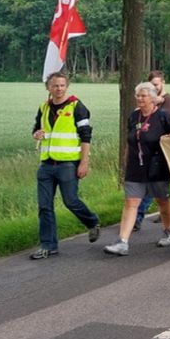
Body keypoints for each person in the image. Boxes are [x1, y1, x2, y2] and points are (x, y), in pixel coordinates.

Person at [30, 72, 101, 259]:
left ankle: (92, 222)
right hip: (46, 164)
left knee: (70, 201)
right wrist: (37, 134)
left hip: (68, 164)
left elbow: (86, 136)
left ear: (66, 86)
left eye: (62, 85)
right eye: (55, 85)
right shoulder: (43, 107)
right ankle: (48, 245)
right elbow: (36, 129)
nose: (59, 89)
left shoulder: (77, 107)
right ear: (48, 88)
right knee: (44, 206)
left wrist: (84, 162)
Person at [104, 82, 170, 256]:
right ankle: (122, 242)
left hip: (157, 167)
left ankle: (169, 231)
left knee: (162, 200)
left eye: (143, 95)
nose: (139, 98)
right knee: (131, 202)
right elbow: (129, 141)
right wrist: (125, 162)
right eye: (138, 95)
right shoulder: (134, 116)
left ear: (153, 98)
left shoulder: (162, 117)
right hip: (135, 167)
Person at [136, 70, 170, 230]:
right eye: (151, 85)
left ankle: (143, 218)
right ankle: (141, 217)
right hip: (144, 154)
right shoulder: (143, 102)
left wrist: (156, 103)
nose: (154, 87)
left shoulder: (169, 100)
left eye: (156, 85)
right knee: (147, 189)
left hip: (161, 154)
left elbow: (163, 120)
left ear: (163, 84)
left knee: (156, 190)